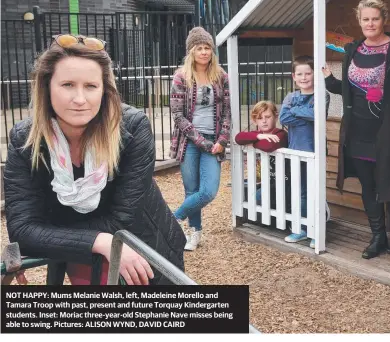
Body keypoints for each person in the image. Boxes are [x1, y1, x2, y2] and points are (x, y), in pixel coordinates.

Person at [3, 34, 185, 285]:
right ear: (47, 86)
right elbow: (22, 230)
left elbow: (123, 218)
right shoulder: (25, 140)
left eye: (91, 86)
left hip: (146, 245)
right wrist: (100, 240)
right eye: (67, 85)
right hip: (86, 255)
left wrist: (48, 233)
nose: (80, 99)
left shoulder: (132, 128)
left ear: (104, 90)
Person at [322, 0, 390, 258]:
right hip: (357, 132)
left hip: (388, 132)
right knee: (368, 185)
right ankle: (377, 237)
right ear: (359, 21)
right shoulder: (352, 50)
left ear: (384, 20)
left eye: (375, 18)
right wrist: (328, 79)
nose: (370, 23)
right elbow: (348, 90)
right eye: (365, 19)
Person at [169, 26, 231, 251]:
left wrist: (222, 140)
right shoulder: (181, 76)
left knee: (208, 191)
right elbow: (177, 115)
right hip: (189, 142)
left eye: (207, 48)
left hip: (214, 141)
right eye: (199, 48)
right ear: (191, 52)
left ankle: (173, 218)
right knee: (191, 190)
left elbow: (227, 112)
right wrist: (202, 142)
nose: (204, 52)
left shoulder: (221, 76)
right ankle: (194, 233)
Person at [279, 55, 330, 249]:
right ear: (293, 76)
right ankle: (301, 229)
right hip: (295, 151)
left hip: (315, 151)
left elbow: (317, 115)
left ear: (315, 74)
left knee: (314, 192)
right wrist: (305, 114)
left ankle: (317, 230)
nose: (304, 77)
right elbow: (284, 117)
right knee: (299, 191)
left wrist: (297, 112)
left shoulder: (322, 94)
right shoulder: (290, 97)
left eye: (308, 73)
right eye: (299, 74)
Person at [235, 101, 289, 210]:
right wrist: (259, 136)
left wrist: (253, 142)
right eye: (260, 118)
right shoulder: (257, 134)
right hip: (269, 181)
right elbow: (238, 138)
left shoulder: (281, 134)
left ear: (276, 117)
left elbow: (268, 146)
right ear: (255, 120)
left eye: (268, 117)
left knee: (260, 195)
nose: (264, 121)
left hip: (285, 181)